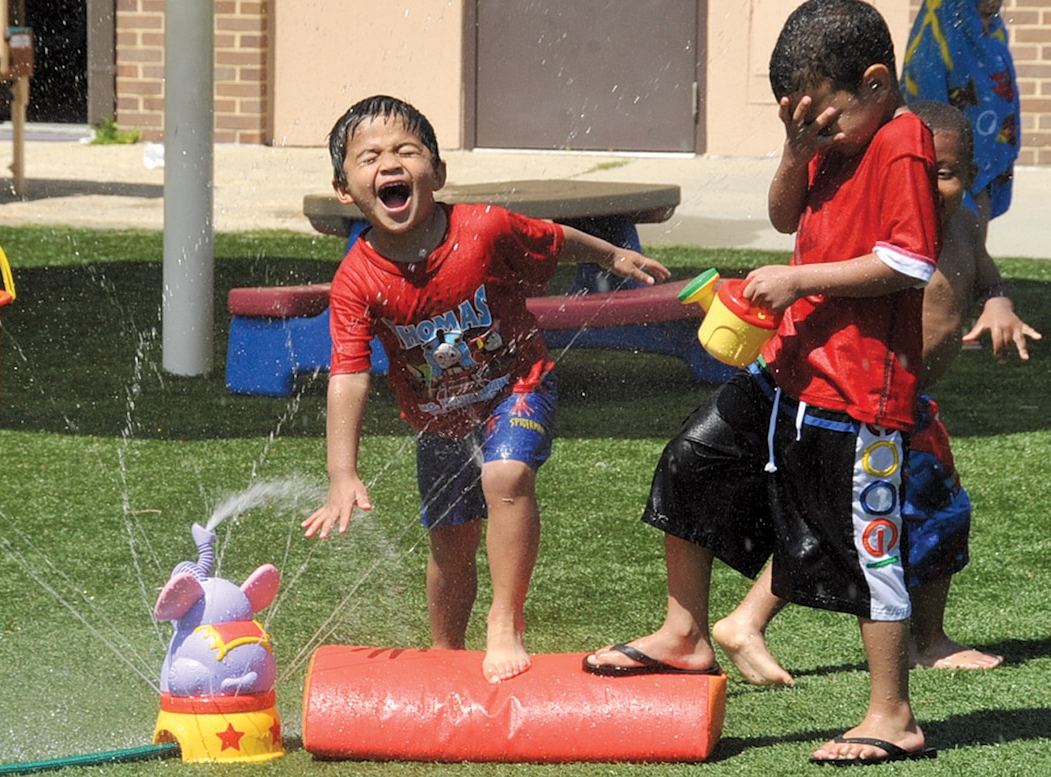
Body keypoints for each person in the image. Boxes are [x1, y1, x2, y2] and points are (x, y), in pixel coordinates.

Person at [583, 0, 940, 764]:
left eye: (829, 118)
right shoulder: (831, 142)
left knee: (865, 547)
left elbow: (911, 262)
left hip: (860, 396)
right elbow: (784, 219)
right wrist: (793, 151)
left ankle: (892, 714)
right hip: (788, 369)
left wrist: (801, 279)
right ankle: (684, 636)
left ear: (878, 82)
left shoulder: (902, 141)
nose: (821, 133)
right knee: (691, 462)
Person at [301, 95, 670, 684]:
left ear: (438, 173)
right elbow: (348, 372)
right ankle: (447, 652)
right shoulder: (356, 281)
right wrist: (342, 473)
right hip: (439, 420)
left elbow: (551, 238)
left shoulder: (483, 227)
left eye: (406, 151)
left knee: (505, 477)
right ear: (346, 189)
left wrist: (613, 256)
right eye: (368, 157)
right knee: (450, 548)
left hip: (515, 386)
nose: (389, 164)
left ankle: (506, 620)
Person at [713, 100, 1041, 686]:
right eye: (917, 172)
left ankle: (752, 620)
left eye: (945, 173)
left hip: (908, 404)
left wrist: (998, 303)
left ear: (970, 174)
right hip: (870, 403)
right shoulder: (885, 238)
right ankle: (925, 641)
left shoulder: (964, 226)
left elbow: (986, 271)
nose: (931, 187)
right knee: (913, 511)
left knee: (883, 516)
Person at [901, 0, 1020, 233]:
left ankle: (973, 261)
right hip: (946, 153)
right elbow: (928, 99)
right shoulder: (938, 30)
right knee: (947, 230)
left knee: (975, 230)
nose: (995, 4)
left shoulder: (993, 29)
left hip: (985, 147)